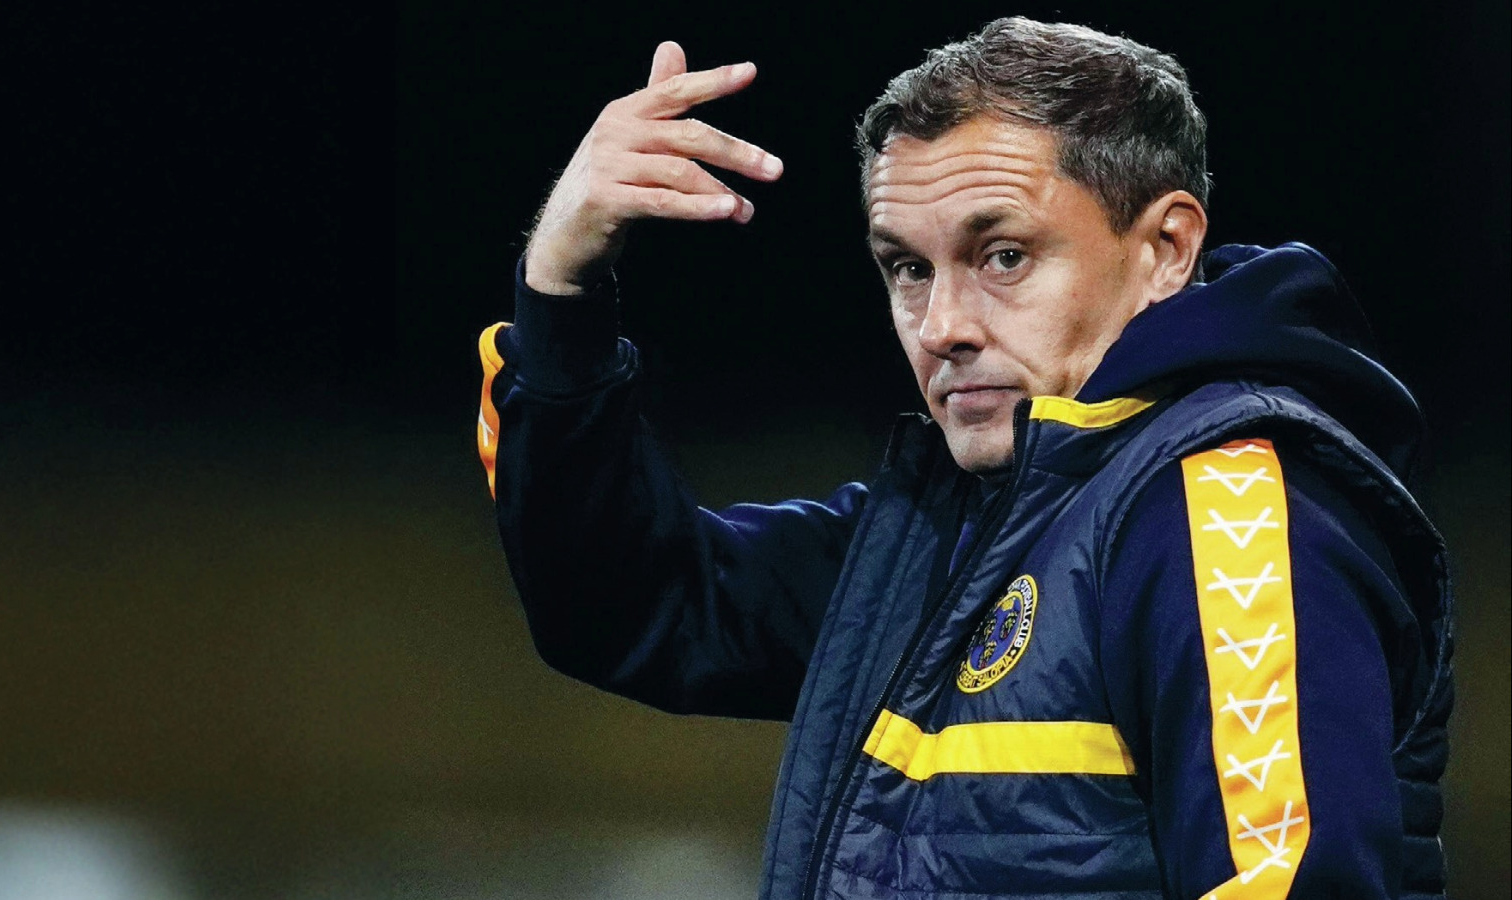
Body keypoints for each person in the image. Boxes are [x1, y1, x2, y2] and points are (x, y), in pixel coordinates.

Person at [475, 17, 1453, 900]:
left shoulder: (1223, 509)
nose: (941, 327)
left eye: (1003, 257)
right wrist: (561, 289)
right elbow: (630, 604)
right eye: (908, 267)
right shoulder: (950, 530)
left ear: (1163, 249)